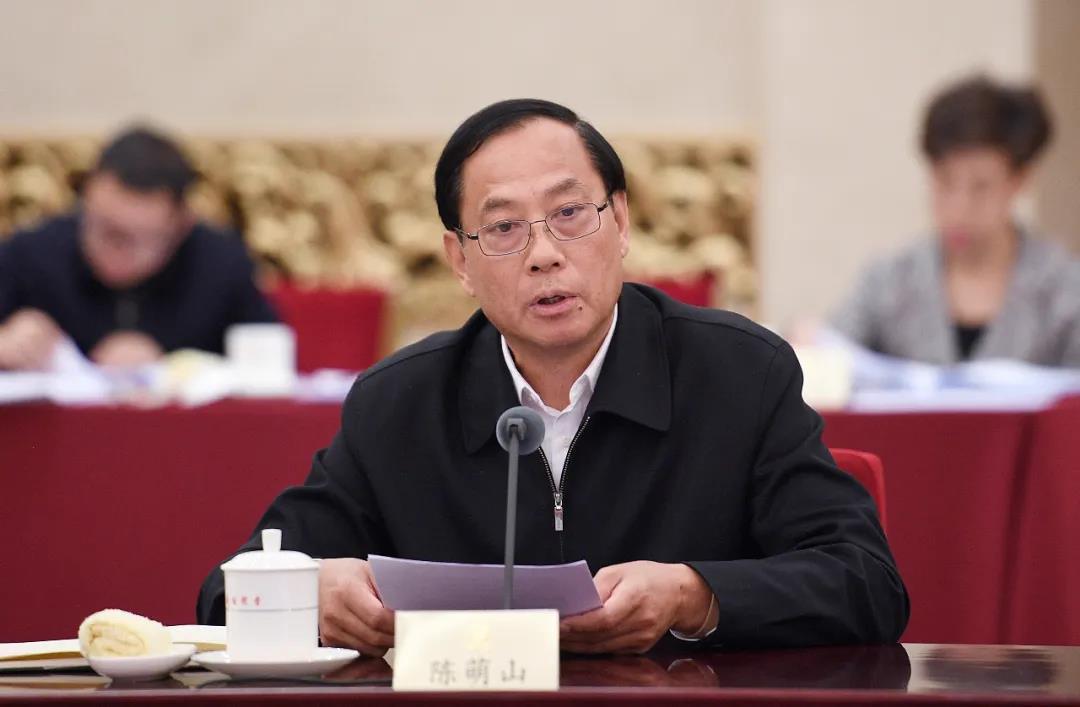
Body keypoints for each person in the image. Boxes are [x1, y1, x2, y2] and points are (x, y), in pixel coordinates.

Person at [198, 99, 908, 653]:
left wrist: (695, 595)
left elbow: (867, 582)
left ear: (620, 222)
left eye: (569, 213)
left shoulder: (740, 374)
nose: (544, 253)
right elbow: (224, 594)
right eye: (504, 228)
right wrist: (312, 590)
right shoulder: (398, 403)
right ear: (459, 261)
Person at [831, 75, 1080, 366]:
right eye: (945, 182)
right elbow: (831, 353)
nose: (959, 209)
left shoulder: (1064, 288)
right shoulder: (890, 281)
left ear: (1019, 180)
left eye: (981, 187)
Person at [0, 126, 276, 370]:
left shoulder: (221, 266)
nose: (113, 249)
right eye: (102, 229)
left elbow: (269, 364)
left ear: (180, 226)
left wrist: (173, 366)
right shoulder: (31, 255)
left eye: (132, 240)